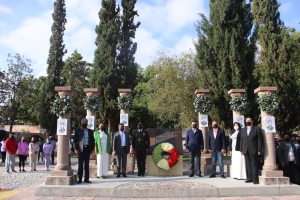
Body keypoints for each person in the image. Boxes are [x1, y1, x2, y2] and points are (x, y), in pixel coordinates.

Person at [240, 117, 262, 185]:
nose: (248, 121)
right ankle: (250, 177)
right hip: (245, 149)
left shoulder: (257, 129)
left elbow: (259, 140)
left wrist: (259, 149)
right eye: (247, 121)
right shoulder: (243, 130)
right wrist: (241, 149)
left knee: (254, 164)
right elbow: (241, 140)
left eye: (249, 120)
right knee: (248, 164)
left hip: (253, 149)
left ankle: (255, 179)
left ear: (252, 121)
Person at [73, 118, 95, 184]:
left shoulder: (90, 131)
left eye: (85, 123)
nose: (84, 124)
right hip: (80, 150)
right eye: (83, 123)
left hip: (87, 150)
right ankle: (79, 179)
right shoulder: (78, 131)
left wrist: (92, 149)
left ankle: (86, 179)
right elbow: (74, 141)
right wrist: (75, 149)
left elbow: (93, 141)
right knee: (80, 165)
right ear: (81, 123)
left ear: (87, 123)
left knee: (87, 165)